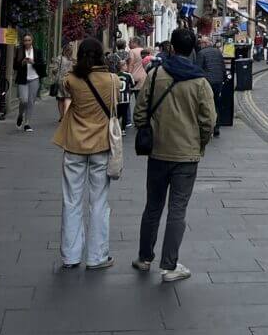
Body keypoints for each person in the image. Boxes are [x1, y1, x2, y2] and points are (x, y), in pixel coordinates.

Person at [133, 27, 216, 283]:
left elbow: (139, 113)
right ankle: (169, 266)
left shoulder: (156, 73)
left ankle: (145, 258)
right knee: (177, 210)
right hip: (186, 156)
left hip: (158, 152)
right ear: (192, 50)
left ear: (171, 47)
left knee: (153, 207)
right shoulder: (200, 81)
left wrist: (152, 132)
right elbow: (209, 121)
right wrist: (199, 143)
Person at [52, 37, 119, 270]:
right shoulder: (112, 80)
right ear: (102, 56)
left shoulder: (72, 79)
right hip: (101, 145)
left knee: (71, 200)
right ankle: (97, 256)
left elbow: (64, 82)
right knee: (99, 202)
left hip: (74, 145)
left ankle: (70, 256)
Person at [13, 31, 46, 132]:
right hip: (23, 79)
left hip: (34, 79)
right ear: (23, 41)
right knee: (24, 100)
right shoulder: (19, 51)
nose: (27, 42)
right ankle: (20, 115)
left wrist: (33, 62)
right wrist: (22, 63)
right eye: (25, 40)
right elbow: (15, 67)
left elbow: (41, 65)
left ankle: (27, 123)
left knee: (31, 102)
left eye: (29, 40)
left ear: (32, 41)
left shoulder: (37, 51)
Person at [196, 36, 226, 137]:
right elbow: (222, 66)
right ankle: (217, 126)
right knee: (216, 103)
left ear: (204, 43)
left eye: (201, 43)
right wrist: (224, 78)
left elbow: (198, 69)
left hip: (207, 82)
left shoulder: (201, 53)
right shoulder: (218, 52)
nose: (200, 45)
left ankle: (207, 126)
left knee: (205, 104)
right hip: (218, 81)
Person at [50, 42, 74, 121]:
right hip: (69, 81)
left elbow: (54, 69)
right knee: (68, 97)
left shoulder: (59, 58)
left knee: (60, 99)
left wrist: (54, 72)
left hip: (60, 81)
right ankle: (66, 114)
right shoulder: (72, 60)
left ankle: (62, 116)